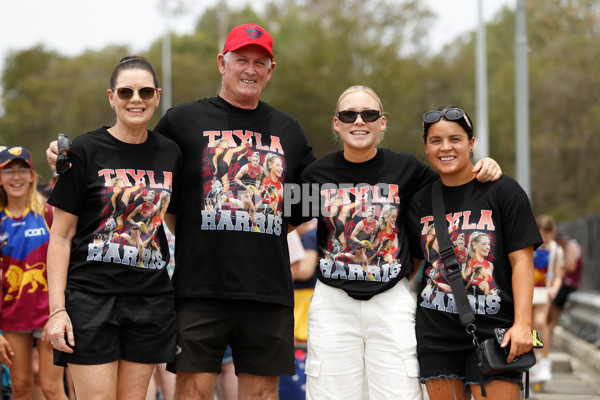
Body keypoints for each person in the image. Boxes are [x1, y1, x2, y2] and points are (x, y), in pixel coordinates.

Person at [48, 24, 315, 400]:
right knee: (192, 393)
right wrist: (63, 157)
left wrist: (256, 225)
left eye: (260, 62)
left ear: (271, 70)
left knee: (261, 395)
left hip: (266, 291)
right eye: (241, 60)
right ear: (223, 63)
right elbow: (131, 151)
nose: (250, 69)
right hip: (196, 290)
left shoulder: (290, 130)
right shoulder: (181, 122)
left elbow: (305, 204)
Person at [300, 87, 501, 400]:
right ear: (336, 123)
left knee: (399, 393)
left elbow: (455, 183)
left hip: (391, 300)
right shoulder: (314, 175)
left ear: (382, 123)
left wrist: (485, 165)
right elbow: (278, 223)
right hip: (333, 303)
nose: (359, 121)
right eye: (348, 115)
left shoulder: (408, 170)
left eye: (369, 114)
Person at [46, 56, 182, 400]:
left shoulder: (171, 153)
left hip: (150, 300)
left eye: (144, 91)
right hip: (90, 299)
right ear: (112, 97)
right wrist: (57, 310)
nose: (135, 98)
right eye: (126, 91)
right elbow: (60, 236)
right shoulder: (85, 149)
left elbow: (175, 221)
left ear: (156, 96)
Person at [406, 105, 542, 400]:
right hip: (436, 336)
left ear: (471, 143)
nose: (446, 148)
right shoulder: (419, 202)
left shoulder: (503, 191)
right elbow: (412, 267)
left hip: (496, 332)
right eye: (436, 141)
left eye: (455, 139)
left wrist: (523, 324)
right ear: (426, 148)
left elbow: (522, 263)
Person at [0, 146, 68, 400]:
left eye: (22, 170)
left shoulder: (48, 213)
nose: (16, 177)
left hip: (48, 314)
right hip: (12, 316)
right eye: (8, 172)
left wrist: (59, 312)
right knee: (20, 387)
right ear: (0, 178)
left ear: (31, 176)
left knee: (52, 388)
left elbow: (67, 262)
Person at [529, 214, 564, 384]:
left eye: (547, 234)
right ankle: (533, 361)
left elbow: (558, 275)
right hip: (528, 291)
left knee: (540, 322)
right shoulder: (531, 245)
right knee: (528, 324)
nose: (544, 238)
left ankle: (544, 360)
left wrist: (554, 289)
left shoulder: (556, 250)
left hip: (544, 292)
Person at [546, 231, 583, 339]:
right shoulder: (569, 246)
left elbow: (571, 267)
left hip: (567, 285)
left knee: (552, 315)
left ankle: (547, 339)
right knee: (549, 316)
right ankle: (547, 339)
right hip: (566, 284)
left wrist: (559, 262)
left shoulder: (571, 246)